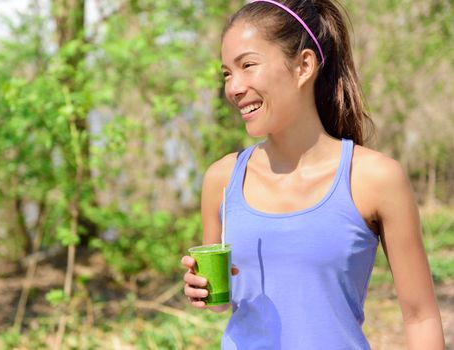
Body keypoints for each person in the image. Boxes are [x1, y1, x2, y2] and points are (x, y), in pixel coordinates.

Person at [180, 0, 446, 348]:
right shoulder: (223, 179)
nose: (234, 87)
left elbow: (420, 316)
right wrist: (202, 291)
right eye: (227, 73)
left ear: (304, 66)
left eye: (248, 65)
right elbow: (225, 303)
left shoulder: (374, 178)